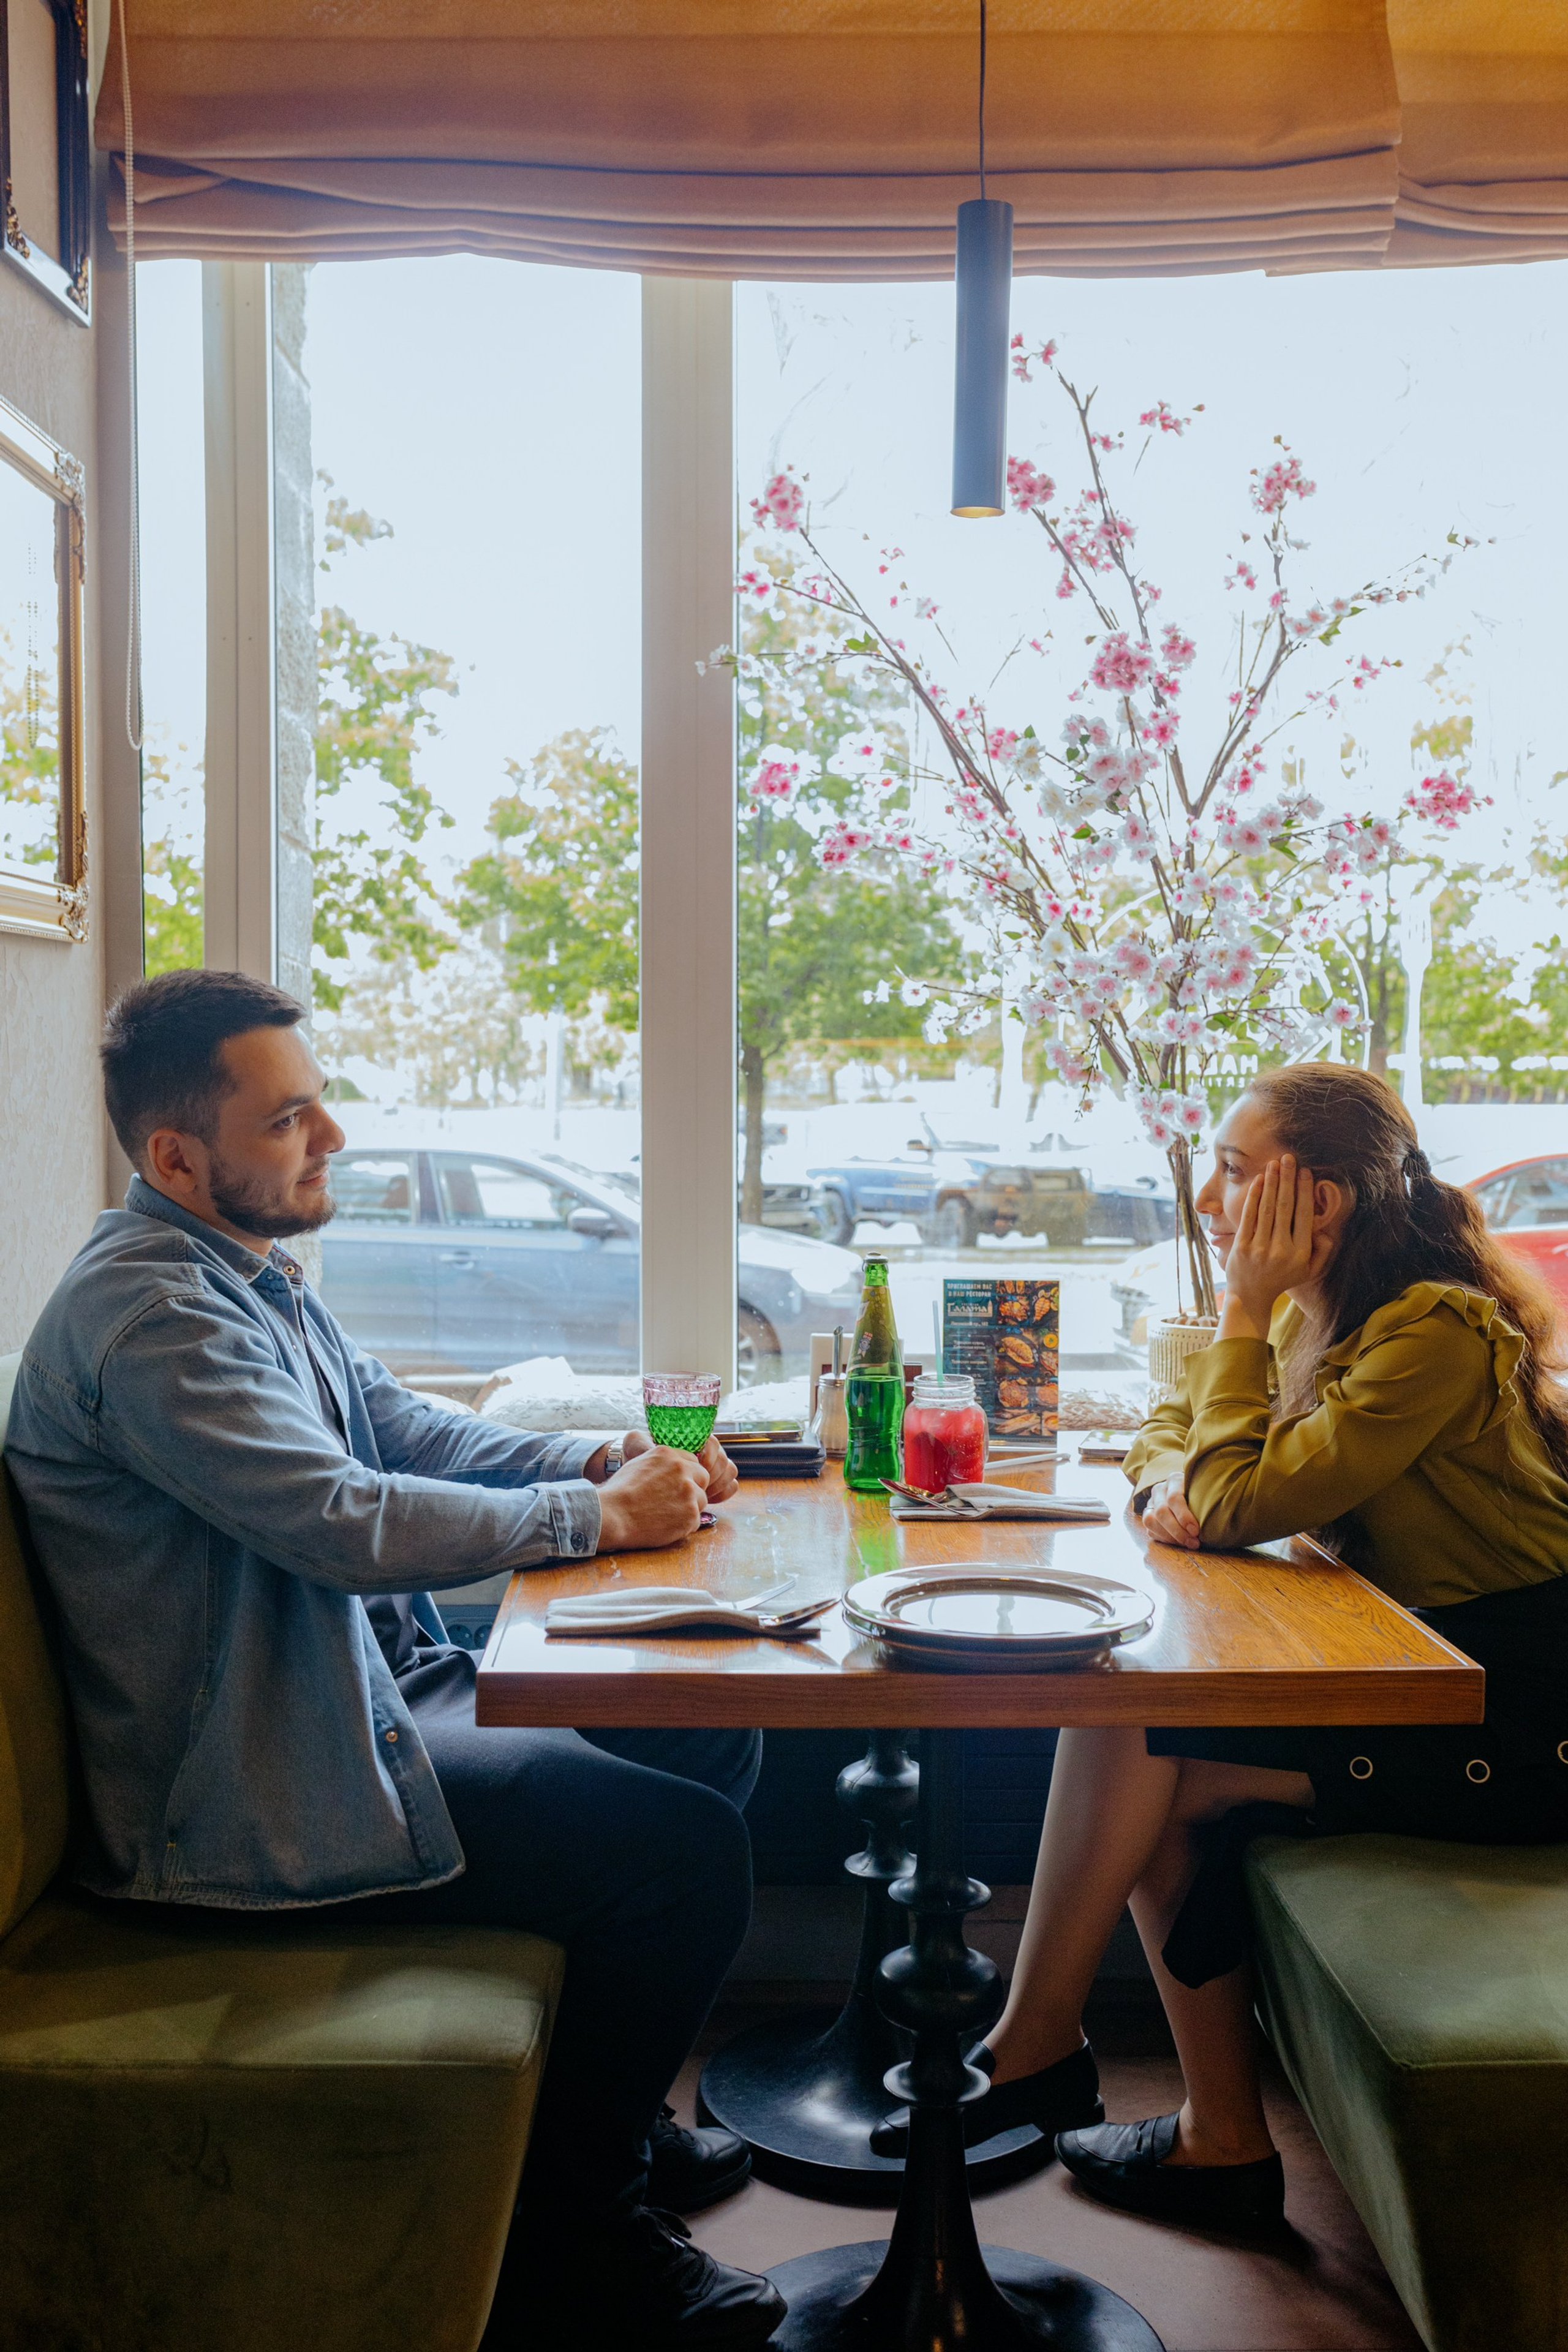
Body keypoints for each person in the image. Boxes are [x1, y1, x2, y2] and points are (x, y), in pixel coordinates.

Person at [4, 970, 784, 2348]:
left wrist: (594, 1458)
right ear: (175, 1157)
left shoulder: (242, 1274)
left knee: (704, 1723)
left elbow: (397, 1427)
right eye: (288, 1120)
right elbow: (339, 1518)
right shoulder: (157, 1322)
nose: (335, 1137)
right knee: (682, 1858)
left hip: (354, 1697)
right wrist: (597, 1519)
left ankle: (599, 2125)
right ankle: (578, 2250)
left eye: (318, 1104)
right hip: (246, 1794)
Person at [873, 1062, 1568, 2230]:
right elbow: (1172, 1431)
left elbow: (1237, 1498)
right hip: (1418, 1667)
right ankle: (1146, 2103)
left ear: (1322, 1200)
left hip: (1519, 1706)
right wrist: (1169, 1487)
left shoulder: (1433, 1333)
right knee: (1136, 1723)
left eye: (1236, 1172)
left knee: (1144, 1741)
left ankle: (1101, 2081)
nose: (1207, 1198)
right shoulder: (1330, 1310)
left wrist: (1241, 1320)